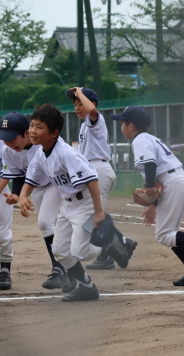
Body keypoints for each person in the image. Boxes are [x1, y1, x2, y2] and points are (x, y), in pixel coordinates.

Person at [19, 104, 132, 302]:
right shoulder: (41, 153)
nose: (32, 131)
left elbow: (92, 179)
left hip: (85, 203)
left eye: (39, 127)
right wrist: (22, 196)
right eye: (32, 125)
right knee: (60, 251)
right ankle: (87, 286)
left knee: (81, 251)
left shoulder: (66, 153)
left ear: (54, 133)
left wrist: (99, 212)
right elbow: (31, 178)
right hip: (68, 204)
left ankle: (107, 240)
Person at [110, 105, 184, 286]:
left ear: (131, 126)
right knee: (172, 234)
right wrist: (152, 205)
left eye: (122, 123)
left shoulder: (139, 140)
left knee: (164, 235)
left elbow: (150, 166)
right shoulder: (150, 138)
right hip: (179, 180)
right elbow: (154, 172)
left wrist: (149, 192)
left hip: (173, 183)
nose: (121, 126)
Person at [66, 87, 137, 270]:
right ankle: (123, 241)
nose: (77, 107)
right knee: (91, 214)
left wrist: (81, 92)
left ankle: (107, 255)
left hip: (98, 170)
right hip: (94, 170)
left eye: (80, 102)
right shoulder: (85, 126)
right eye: (74, 104)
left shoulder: (95, 119)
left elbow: (91, 111)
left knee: (92, 216)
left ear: (92, 103)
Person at [0, 112, 72, 291]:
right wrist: (16, 195)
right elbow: (16, 175)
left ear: (26, 133)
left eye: (12, 138)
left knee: (46, 222)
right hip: (36, 188)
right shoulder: (7, 150)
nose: (8, 143)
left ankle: (60, 269)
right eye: (4, 139)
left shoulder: (42, 145)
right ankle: (61, 268)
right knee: (46, 226)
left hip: (56, 184)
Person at [0, 139, 13, 290]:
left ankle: (5, 270)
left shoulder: (4, 143)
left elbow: (7, 173)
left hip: (1, 191)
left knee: (3, 234)